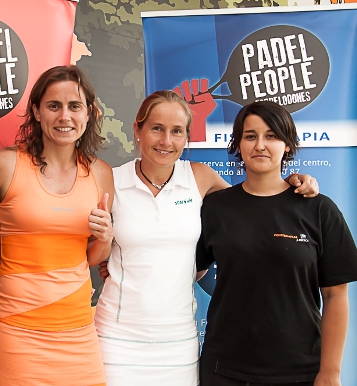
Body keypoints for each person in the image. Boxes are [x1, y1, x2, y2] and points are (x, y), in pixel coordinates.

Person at [94, 91, 319, 386]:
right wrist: (104, 247)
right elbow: (89, 252)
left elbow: (253, 206)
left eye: (177, 131)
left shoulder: (200, 177)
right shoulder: (109, 178)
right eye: (156, 128)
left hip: (179, 341)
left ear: (187, 137)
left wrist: (292, 181)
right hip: (116, 337)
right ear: (137, 130)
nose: (166, 141)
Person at [196, 101, 357, 386]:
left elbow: (336, 297)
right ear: (238, 145)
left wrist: (330, 372)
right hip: (224, 370)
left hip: (300, 371)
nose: (260, 144)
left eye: (271, 136)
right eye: (250, 136)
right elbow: (184, 269)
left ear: (288, 145)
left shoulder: (319, 209)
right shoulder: (215, 207)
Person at [0, 65, 114, 386]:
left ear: (89, 113)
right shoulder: (4, 163)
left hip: (78, 333)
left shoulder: (101, 173)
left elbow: (92, 256)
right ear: (37, 112)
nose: (64, 116)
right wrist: (21, 250)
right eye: (54, 106)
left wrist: (105, 237)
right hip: (15, 333)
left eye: (74, 106)